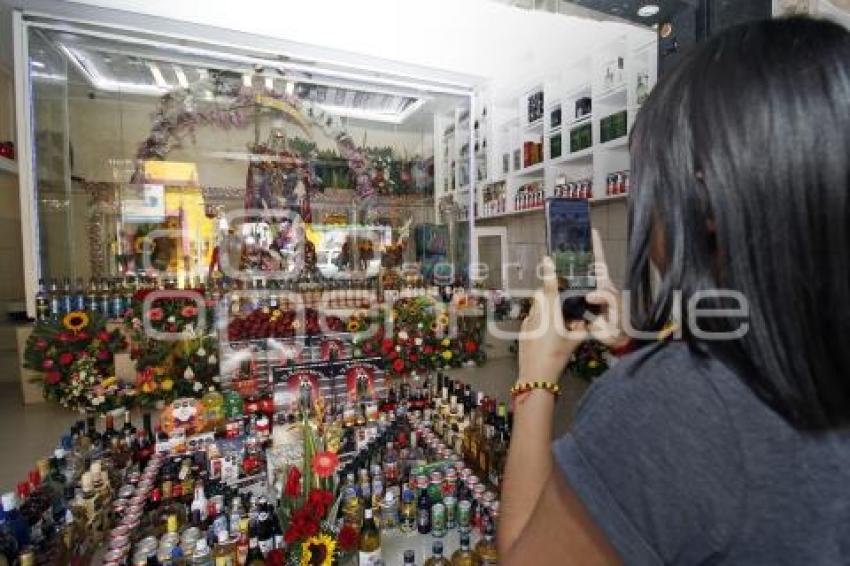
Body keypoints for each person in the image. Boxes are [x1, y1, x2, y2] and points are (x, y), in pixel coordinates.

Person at [498, 17, 850, 566]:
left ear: (705, 197)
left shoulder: (673, 403)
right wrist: (627, 348)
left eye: (647, 175)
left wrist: (536, 378)